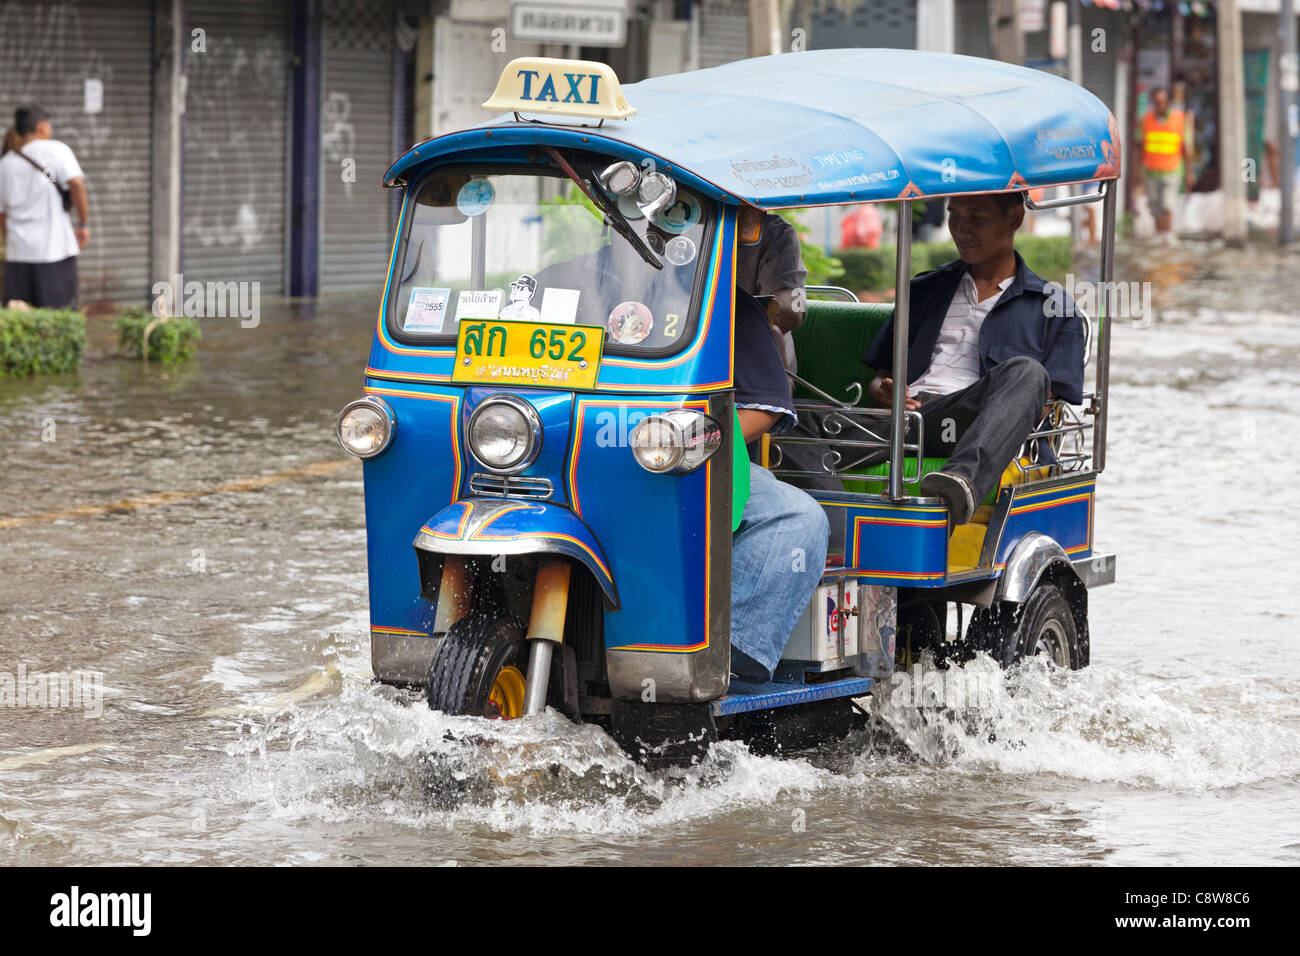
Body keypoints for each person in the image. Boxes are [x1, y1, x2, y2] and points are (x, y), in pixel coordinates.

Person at [861, 191, 1084, 526]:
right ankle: (836, 532)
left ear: (1015, 219)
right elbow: (881, 376)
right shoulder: (923, 290)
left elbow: (1043, 405)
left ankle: (960, 483)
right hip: (910, 419)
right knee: (791, 424)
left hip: (975, 420)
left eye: (976, 218)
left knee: (1028, 373)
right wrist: (884, 389)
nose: (961, 230)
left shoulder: (1055, 307)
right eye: (954, 217)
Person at [730, 287, 829, 683]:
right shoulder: (566, 283)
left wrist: (683, 444)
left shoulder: (725, 299)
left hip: (685, 460)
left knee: (799, 516)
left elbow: (763, 406)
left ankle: (728, 649)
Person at [0, 106, 89, 308]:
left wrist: (12, 240)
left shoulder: (5, 164)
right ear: (41, 126)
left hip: (18, 256)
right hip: (54, 252)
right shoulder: (55, 150)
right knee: (60, 316)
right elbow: (76, 183)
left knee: (21, 319)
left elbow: (2, 214)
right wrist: (83, 223)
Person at [1140, 88, 1193, 239]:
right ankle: (1159, 236)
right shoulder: (1146, 120)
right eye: (1157, 102)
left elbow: (1187, 148)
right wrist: (1137, 172)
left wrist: (1189, 172)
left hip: (1172, 170)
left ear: (1167, 103)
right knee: (1154, 207)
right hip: (1151, 170)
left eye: (1162, 102)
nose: (1160, 105)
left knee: (1167, 205)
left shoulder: (1179, 119)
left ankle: (1167, 237)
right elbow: (1139, 145)